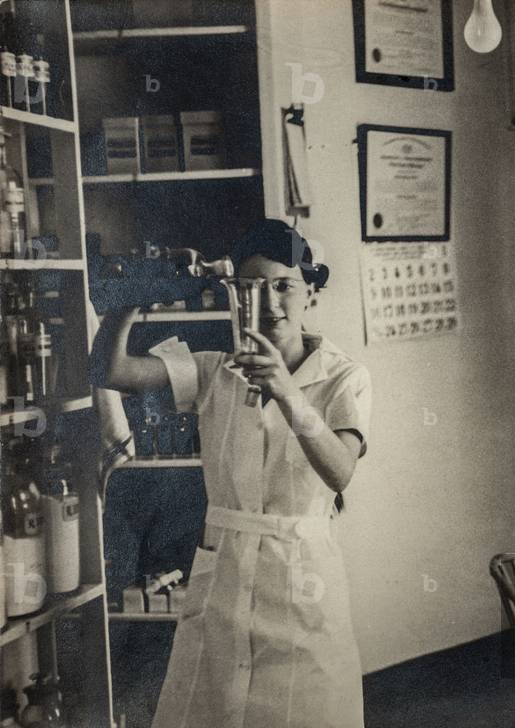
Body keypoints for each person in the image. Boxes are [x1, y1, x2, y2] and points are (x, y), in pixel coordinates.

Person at [94, 219, 371, 727]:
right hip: (224, 575)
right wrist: (128, 301)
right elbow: (111, 372)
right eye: (252, 288)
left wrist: (287, 392)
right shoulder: (214, 369)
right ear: (235, 296)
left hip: (301, 579)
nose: (269, 303)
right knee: (212, 708)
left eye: (284, 285)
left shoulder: (342, 375)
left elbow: (340, 472)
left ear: (311, 290)